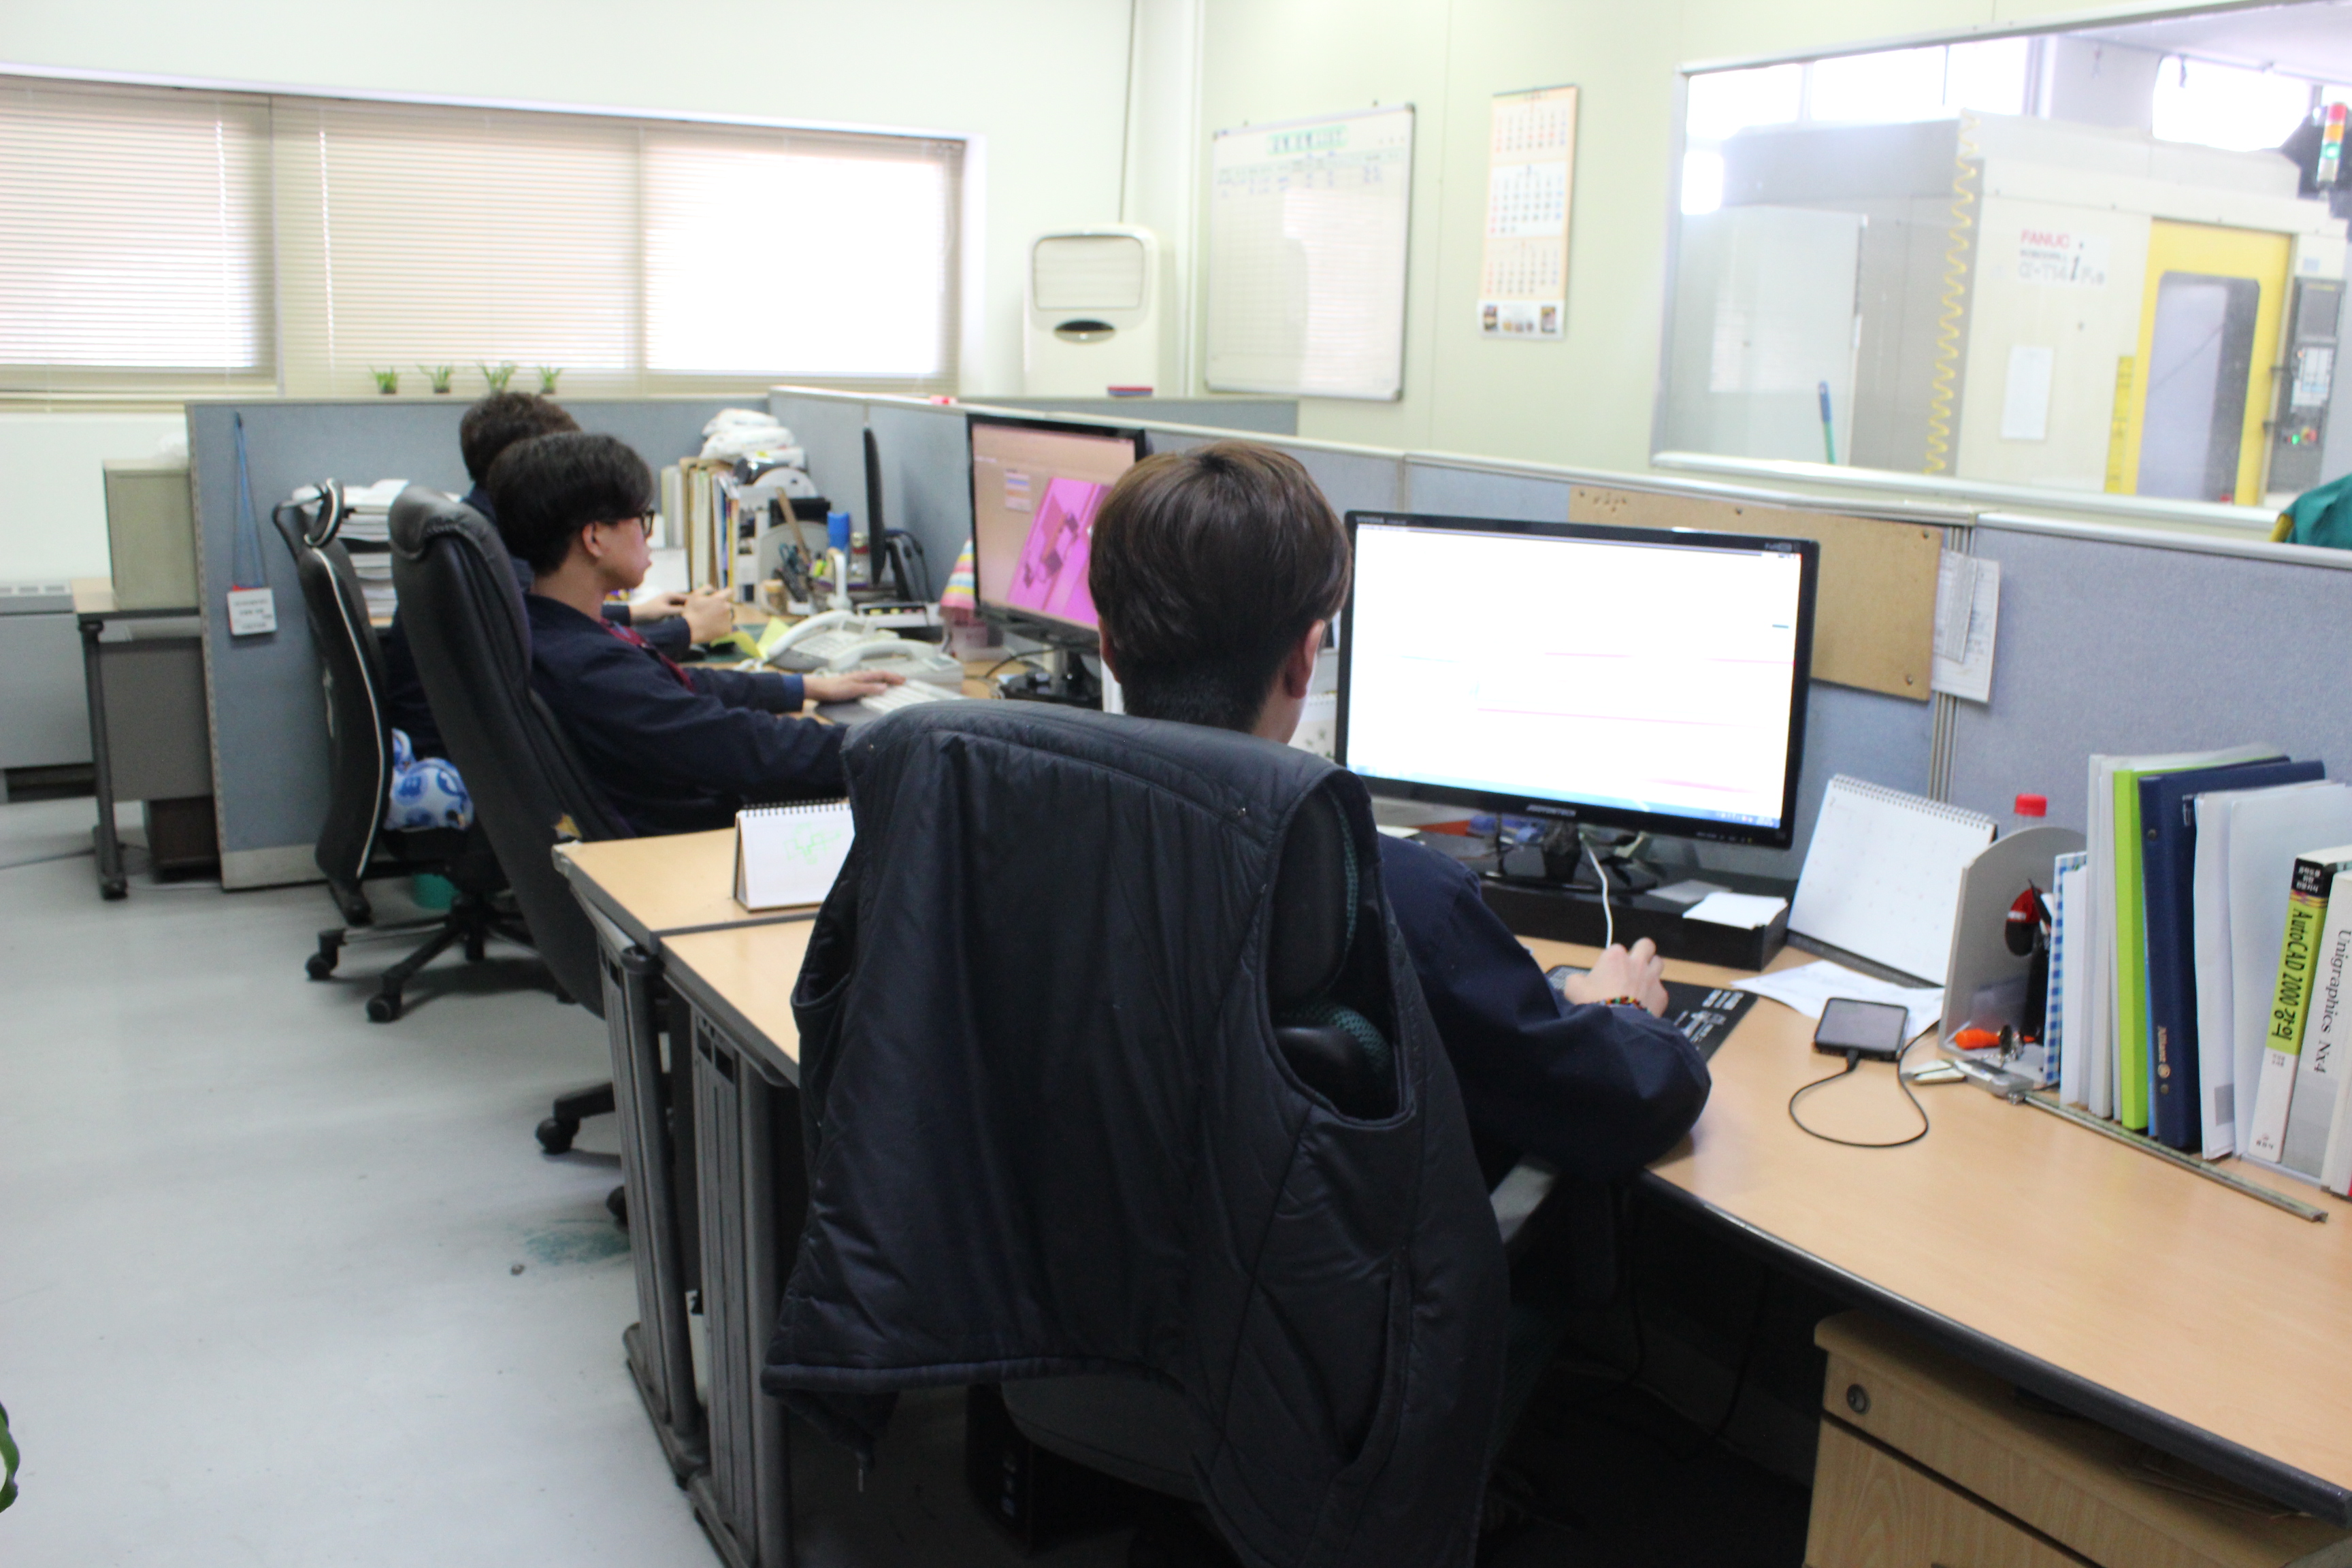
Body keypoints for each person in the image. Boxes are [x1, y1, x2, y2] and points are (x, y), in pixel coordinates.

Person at [1086, 440, 1710, 1184]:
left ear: (1108, 647)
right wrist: (1621, 1009)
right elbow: (1629, 1100)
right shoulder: (1392, 898)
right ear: (1306, 659)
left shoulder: (1026, 846)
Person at [489, 430, 898, 835]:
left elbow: (674, 687)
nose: (648, 536)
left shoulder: (547, 625)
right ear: (594, 537)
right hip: (694, 841)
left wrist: (805, 687)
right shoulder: (590, 669)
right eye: (642, 520)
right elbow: (737, 745)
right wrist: (888, 745)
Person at [379, 391, 732, 757]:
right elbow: (563, 646)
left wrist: (635, 612)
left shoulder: (475, 531)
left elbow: (552, 615)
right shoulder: (489, 554)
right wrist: (687, 630)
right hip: (450, 758)